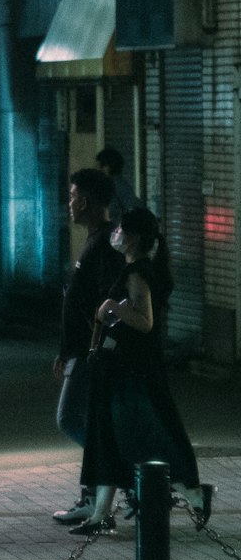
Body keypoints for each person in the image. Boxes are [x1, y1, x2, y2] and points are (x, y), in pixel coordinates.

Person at [72, 207, 213, 536]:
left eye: (120, 229)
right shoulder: (135, 268)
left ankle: (192, 490)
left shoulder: (137, 272)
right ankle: (100, 515)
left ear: (132, 236)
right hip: (119, 369)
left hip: (132, 372)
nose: (115, 234)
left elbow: (145, 321)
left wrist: (113, 308)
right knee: (112, 437)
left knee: (142, 437)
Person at [52, 168, 122, 525]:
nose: (69, 204)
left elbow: (104, 304)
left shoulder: (105, 245)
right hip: (80, 349)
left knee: (70, 419)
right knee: (87, 421)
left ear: (87, 201)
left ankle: (116, 471)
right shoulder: (96, 239)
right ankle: (95, 494)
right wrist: (65, 349)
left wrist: (84, 349)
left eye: (72, 197)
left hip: (91, 352)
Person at [95, 148, 143, 228]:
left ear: (109, 166)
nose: (99, 170)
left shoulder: (118, 185)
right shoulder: (111, 185)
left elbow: (134, 208)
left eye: (102, 166)